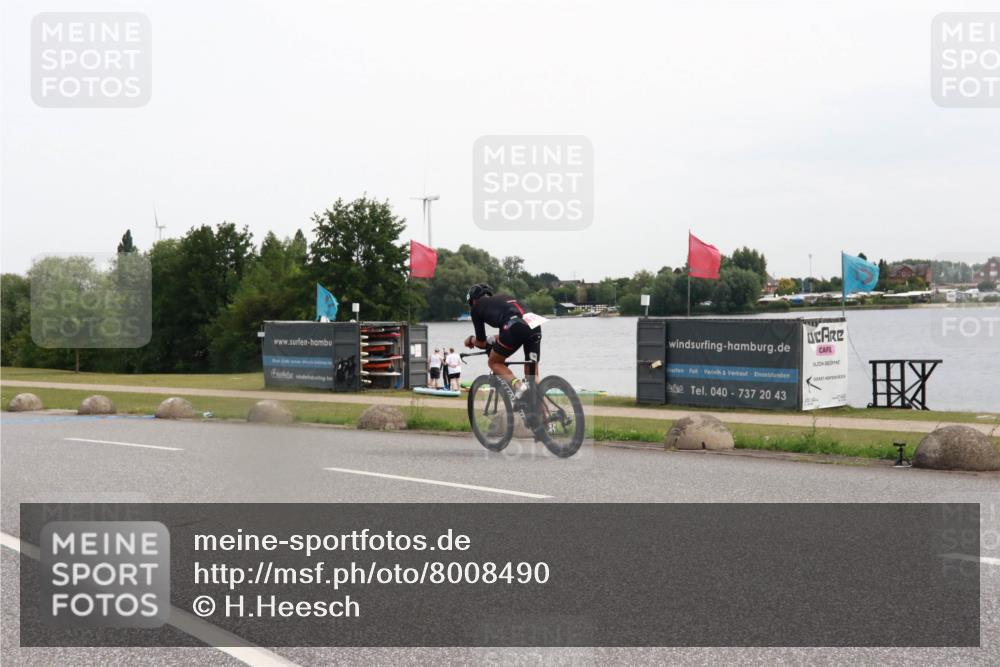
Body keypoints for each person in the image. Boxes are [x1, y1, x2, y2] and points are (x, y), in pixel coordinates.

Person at [463, 283, 541, 397]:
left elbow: (481, 342)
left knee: (494, 362)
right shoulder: (503, 299)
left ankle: (518, 385)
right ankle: (545, 412)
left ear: (473, 300)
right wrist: (492, 339)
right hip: (535, 324)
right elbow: (506, 332)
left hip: (514, 326)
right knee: (532, 378)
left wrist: (470, 339)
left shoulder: (476, 307)